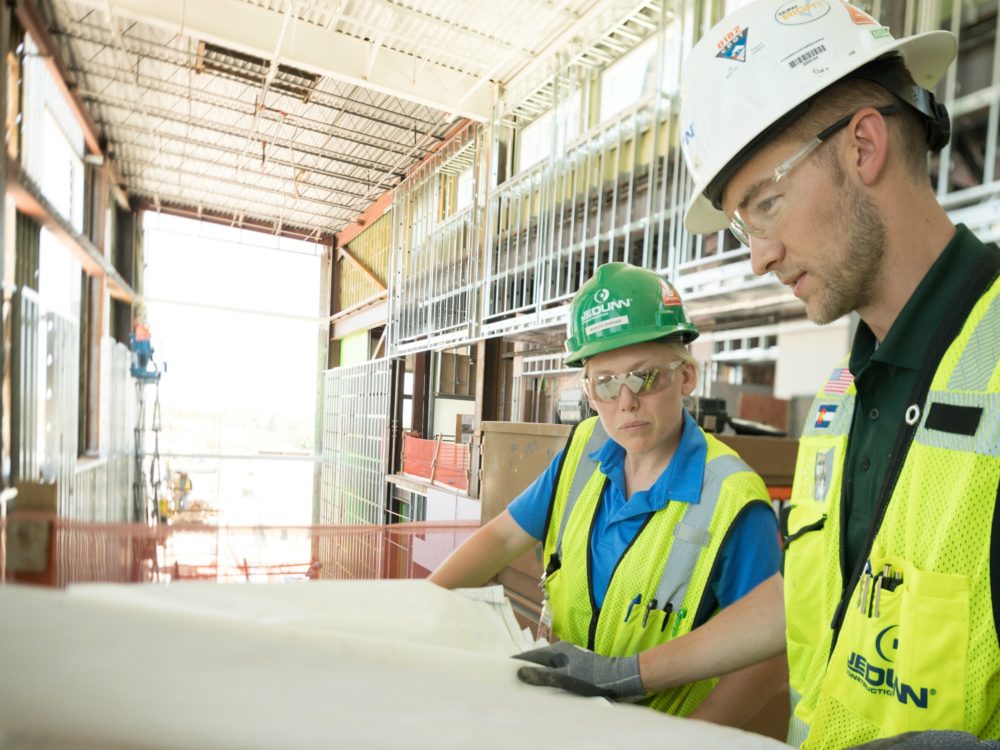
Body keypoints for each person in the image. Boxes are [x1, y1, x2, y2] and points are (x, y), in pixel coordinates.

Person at [512, 2, 1000, 748]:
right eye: (745, 223)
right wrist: (632, 673)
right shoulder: (844, 396)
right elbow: (809, 594)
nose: (759, 256)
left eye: (765, 204)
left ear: (863, 144)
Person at [430, 262, 786, 727]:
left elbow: (768, 657)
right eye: (606, 382)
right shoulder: (584, 450)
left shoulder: (731, 499)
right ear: (588, 390)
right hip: (567, 722)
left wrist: (687, 742)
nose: (626, 402)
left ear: (686, 377)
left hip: (657, 732)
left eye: (645, 377)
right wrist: (423, 605)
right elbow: (499, 540)